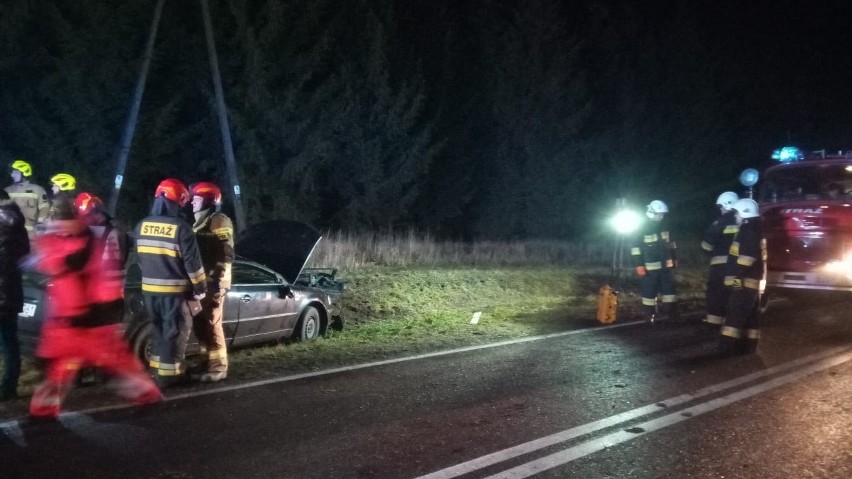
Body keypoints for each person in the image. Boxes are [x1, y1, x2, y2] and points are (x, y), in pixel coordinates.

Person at [27, 195, 161, 419]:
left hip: (71, 318)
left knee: (59, 366)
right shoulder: (93, 237)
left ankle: (43, 410)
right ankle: (147, 394)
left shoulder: (53, 241)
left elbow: (47, 265)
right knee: (115, 361)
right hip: (96, 313)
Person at [134, 179, 206, 388]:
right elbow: (193, 264)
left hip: (149, 291)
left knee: (158, 331)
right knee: (174, 332)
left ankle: (157, 370)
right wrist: (200, 287)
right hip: (174, 292)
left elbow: (139, 259)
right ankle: (170, 376)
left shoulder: (141, 225)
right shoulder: (181, 228)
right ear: (176, 201)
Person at [189, 182, 234, 383]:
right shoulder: (199, 222)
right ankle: (206, 362)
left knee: (212, 323)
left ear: (208, 201)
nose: (192, 202)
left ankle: (219, 367)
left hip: (214, 282)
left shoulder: (219, 220)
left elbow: (226, 253)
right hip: (202, 282)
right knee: (201, 325)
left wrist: (216, 278)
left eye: (196, 199)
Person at [719, 198, 766, 356]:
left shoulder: (748, 230)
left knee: (734, 314)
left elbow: (747, 258)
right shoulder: (756, 228)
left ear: (745, 215)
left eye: (737, 214)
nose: (735, 217)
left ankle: (726, 348)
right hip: (751, 280)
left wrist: (737, 276)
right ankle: (749, 346)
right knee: (751, 316)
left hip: (745, 280)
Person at [0, 190, 30, 400]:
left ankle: (8, 387)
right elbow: (23, 258)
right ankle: (9, 386)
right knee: (10, 342)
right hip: (11, 292)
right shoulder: (18, 225)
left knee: (8, 342)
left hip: (3, 292)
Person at [631, 200, 678, 323]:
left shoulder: (665, 227)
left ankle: (672, 314)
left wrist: (674, 259)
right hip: (649, 269)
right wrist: (639, 264)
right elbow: (636, 248)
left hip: (666, 268)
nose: (661, 216)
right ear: (651, 213)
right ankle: (649, 315)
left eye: (662, 214)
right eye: (659, 214)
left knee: (669, 292)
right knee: (649, 293)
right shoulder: (641, 228)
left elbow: (671, 245)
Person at [700, 191, 739, 327]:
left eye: (721, 207)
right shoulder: (742, 223)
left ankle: (714, 322)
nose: (721, 210)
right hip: (739, 266)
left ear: (727, 206)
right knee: (734, 293)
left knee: (716, 293)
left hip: (719, 266)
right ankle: (732, 322)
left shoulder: (718, 224)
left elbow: (706, 246)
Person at [5, 159, 49, 239]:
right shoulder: (7, 191)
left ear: (24, 173)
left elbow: (44, 207)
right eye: (11, 173)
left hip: (31, 234)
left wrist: (41, 223)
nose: (12, 175)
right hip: (10, 233)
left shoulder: (37, 190)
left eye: (15, 173)